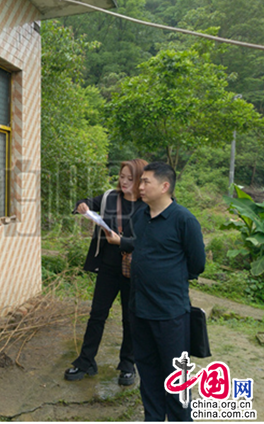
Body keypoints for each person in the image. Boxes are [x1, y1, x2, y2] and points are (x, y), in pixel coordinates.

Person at [106, 162, 205, 421]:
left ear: (164, 186)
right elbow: (141, 245)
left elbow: (197, 264)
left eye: (145, 181)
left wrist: (168, 278)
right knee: (148, 373)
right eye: (140, 181)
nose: (140, 186)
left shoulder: (184, 220)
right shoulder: (140, 216)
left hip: (170, 314)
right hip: (139, 310)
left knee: (176, 377)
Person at [64, 159, 148, 386]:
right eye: (122, 177)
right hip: (109, 267)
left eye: (130, 178)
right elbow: (84, 202)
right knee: (97, 314)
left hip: (135, 270)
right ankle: (86, 361)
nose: (124, 182)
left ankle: (128, 365)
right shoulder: (110, 197)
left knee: (130, 318)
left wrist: (123, 242)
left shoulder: (149, 205)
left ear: (141, 180)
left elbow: (151, 242)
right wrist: (82, 206)